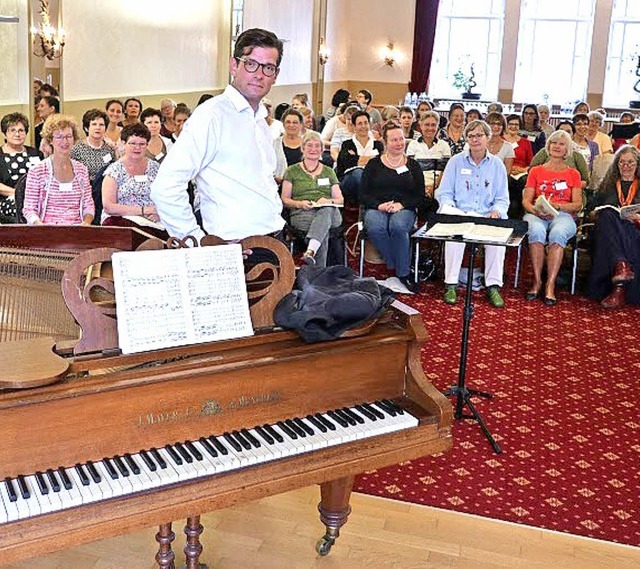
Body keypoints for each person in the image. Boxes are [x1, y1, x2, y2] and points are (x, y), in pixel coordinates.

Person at [151, 28, 285, 242]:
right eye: (251, 64)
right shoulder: (211, 116)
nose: (259, 74)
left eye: (268, 67)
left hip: (273, 237)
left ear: (275, 75)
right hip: (234, 245)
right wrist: (197, 243)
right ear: (234, 65)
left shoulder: (260, 120)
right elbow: (165, 188)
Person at [435, 120, 509, 308]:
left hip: (486, 216)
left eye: (479, 135)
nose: (475, 140)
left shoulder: (497, 165)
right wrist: (452, 209)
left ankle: (493, 285)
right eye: (471, 136)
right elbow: (444, 193)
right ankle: (450, 283)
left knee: (497, 244)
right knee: (453, 238)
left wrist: (497, 212)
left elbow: (502, 198)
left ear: (487, 137)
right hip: (461, 214)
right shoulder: (455, 162)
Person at [360, 122, 433, 294]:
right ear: (385, 142)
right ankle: (395, 262)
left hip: (404, 207)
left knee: (398, 227)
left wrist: (402, 204)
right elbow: (362, 194)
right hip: (377, 207)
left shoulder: (413, 166)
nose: (399, 143)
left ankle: (403, 273)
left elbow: (420, 196)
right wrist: (379, 205)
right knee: (376, 228)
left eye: (401, 139)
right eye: (394, 140)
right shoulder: (373, 164)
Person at [521, 130, 583, 306]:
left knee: (558, 234)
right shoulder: (536, 171)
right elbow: (526, 200)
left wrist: (557, 206)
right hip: (537, 213)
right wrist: (534, 209)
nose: (557, 146)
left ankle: (550, 284)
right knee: (536, 230)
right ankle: (537, 281)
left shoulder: (574, 174)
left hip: (563, 213)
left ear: (567, 149)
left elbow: (577, 204)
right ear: (548, 146)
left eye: (561, 144)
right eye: (554, 143)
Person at [588, 145, 640, 308]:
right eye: (622, 162)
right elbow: (589, 210)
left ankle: (619, 278)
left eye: (630, 162)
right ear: (616, 164)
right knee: (607, 215)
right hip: (607, 232)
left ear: (637, 164)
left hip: (635, 230)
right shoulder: (607, 185)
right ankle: (621, 268)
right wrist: (596, 213)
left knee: (616, 227)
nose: (626, 166)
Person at [281, 132, 344, 267]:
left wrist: (327, 201)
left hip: (331, 214)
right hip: (302, 212)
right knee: (323, 230)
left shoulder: (329, 171)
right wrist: (299, 204)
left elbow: (340, 200)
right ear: (302, 148)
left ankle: (312, 257)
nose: (313, 149)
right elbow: (285, 199)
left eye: (317, 146)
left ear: (322, 150)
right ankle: (314, 259)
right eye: (309, 145)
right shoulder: (292, 171)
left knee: (327, 209)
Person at [22, 115, 94, 226]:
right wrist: (40, 226)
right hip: (47, 231)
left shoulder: (82, 170)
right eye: (59, 137)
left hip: (77, 231)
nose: (65, 141)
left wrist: (86, 222)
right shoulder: (37, 171)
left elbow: (88, 205)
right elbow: (29, 209)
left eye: (69, 136)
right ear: (50, 140)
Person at [101, 123, 164, 236]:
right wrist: (143, 210)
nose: (137, 148)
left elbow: (165, 198)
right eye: (132, 143)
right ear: (124, 144)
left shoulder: (156, 168)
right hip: (121, 220)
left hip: (153, 221)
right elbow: (108, 206)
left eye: (142, 144)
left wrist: (159, 213)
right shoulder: (114, 170)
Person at [0, 113, 43, 223]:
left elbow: (44, 178)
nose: (17, 134)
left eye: (21, 130)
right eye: (12, 130)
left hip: (36, 198)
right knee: (21, 210)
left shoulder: (36, 153)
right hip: (9, 199)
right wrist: (18, 194)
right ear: (5, 133)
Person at [336, 110, 384, 203]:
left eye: (366, 123)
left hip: (372, 179)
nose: (363, 126)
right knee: (359, 172)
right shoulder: (347, 144)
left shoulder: (378, 144)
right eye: (360, 124)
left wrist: (358, 159)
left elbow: (381, 163)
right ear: (354, 126)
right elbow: (347, 163)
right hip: (349, 181)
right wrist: (373, 158)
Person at [406, 110, 451, 196]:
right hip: (417, 186)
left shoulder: (444, 145)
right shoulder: (413, 145)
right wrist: (422, 187)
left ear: (437, 126)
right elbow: (411, 171)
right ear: (421, 126)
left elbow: (446, 171)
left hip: (439, 187)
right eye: (427, 125)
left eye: (433, 125)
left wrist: (434, 187)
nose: (430, 128)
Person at [70, 109, 117, 182]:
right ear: (86, 128)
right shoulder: (77, 149)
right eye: (94, 124)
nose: (98, 127)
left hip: (105, 187)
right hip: (85, 187)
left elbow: (114, 171)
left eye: (101, 125)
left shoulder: (109, 148)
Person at [504, 114, 534, 217]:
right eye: (511, 124)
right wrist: (509, 168)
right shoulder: (501, 141)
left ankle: (519, 211)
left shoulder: (526, 142)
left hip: (521, 173)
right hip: (505, 171)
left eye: (516, 124)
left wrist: (522, 170)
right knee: (508, 181)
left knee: (522, 181)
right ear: (506, 125)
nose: (513, 127)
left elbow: (531, 163)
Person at [274, 108, 304, 182]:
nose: (291, 125)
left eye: (295, 122)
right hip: (280, 186)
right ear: (283, 125)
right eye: (288, 122)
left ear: (300, 125)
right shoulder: (274, 144)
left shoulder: (308, 143)